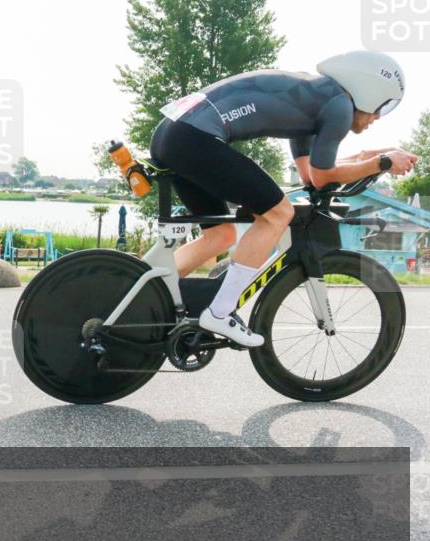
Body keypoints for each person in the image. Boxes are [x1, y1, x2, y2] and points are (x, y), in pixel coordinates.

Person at [150, 50, 416, 347]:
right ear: (370, 90)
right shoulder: (339, 107)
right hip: (194, 137)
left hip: (172, 134)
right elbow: (322, 178)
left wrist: (368, 157)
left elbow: (309, 173)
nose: (377, 117)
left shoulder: (317, 99)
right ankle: (220, 312)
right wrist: (381, 163)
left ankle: (144, 294)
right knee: (279, 213)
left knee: (221, 235)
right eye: (381, 106)